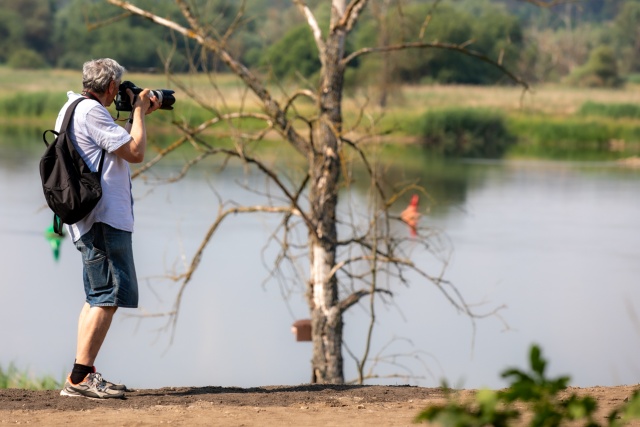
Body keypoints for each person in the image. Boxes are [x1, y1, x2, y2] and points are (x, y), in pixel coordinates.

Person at [57, 58, 159, 399]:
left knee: (95, 297)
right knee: (108, 296)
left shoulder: (73, 106)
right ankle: (80, 379)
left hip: (89, 218)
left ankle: (82, 373)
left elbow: (111, 146)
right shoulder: (92, 113)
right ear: (113, 87)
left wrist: (133, 115)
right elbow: (135, 151)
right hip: (102, 219)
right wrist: (140, 112)